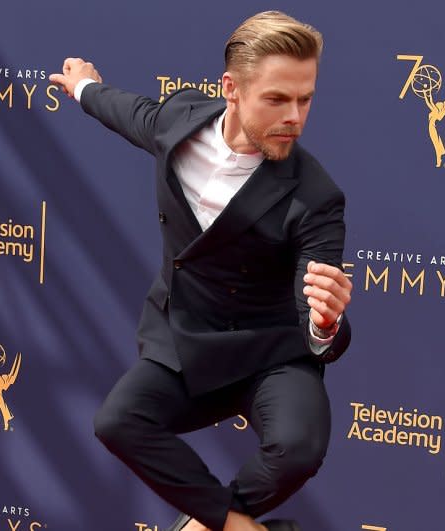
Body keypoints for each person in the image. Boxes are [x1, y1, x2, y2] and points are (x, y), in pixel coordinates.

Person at [49, 11, 352, 531]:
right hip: (185, 338)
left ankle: (197, 527)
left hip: (271, 353)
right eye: (277, 99)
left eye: (305, 99)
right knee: (118, 421)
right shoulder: (180, 123)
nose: (295, 117)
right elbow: (132, 113)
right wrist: (84, 89)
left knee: (300, 447)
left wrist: (325, 325)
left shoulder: (316, 195)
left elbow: (317, 313)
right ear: (230, 89)